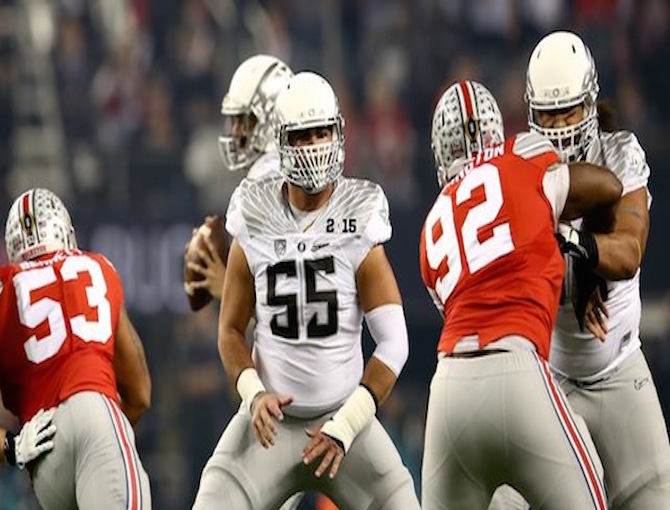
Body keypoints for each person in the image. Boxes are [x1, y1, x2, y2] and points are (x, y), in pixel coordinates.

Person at [192, 71, 420, 510]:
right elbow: (230, 331)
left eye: (322, 132)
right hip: (269, 424)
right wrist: (254, 394)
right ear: (280, 142)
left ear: (338, 133)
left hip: (345, 424)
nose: (314, 145)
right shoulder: (253, 211)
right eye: (302, 135)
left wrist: (347, 424)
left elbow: (395, 341)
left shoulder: (359, 214)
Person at [419, 80, 623, 509]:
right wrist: (565, 235)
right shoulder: (523, 158)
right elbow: (608, 186)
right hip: (516, 369)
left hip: (448, 389)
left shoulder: (431, 225)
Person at [524, 30, 670, 509]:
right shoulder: (518, 170)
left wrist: (576, 246)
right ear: (530, 113)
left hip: (618, 369)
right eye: (548, 114)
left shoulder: (620, 153)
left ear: (590, 104)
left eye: (569, 111)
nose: (559, 126)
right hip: (548, 380)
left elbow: (627, 253)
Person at [0, 188, 152, 509]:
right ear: (66, 233)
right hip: (94, 413)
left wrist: (11, 447)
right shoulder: (96, 267)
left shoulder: (6, 286)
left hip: (43, 457)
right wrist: (103, 441)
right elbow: (139, 394)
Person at [184, 54, 294, 302]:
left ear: (273, 119)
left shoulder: (256, 190)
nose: (235, 132)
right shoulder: (299, 174)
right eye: (234, 121)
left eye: (246, 121)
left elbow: (278, 303)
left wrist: (225, 288)